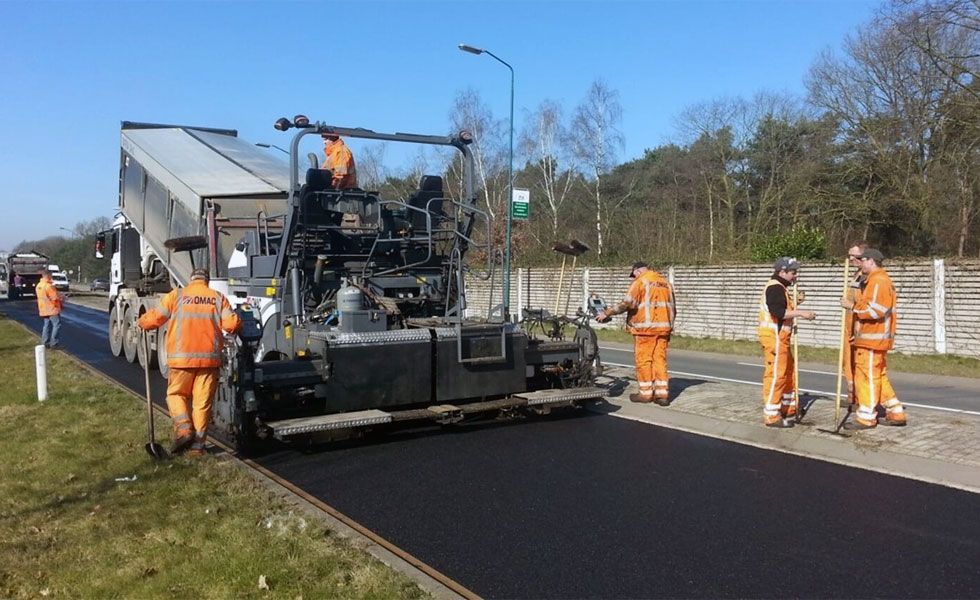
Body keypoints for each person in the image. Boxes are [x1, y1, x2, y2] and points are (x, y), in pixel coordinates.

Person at [138, 268, 241, 455]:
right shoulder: (217, 297)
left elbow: (155, 318)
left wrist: (143, 322)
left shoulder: (176, 295)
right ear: (206, 281)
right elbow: (231, 325)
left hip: (181, 360)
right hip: (209, 362)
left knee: (176, 395)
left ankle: (184, 428)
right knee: (201, 404)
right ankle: (197, 448)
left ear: (191, 280)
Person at [839, 249, 907, 429]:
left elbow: (876, 310)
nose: (859, 263)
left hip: (872, 339)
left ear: (871, 261)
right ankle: (895, 411)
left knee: (867, 377)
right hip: (872, 338)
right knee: (878, 376)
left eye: (862, 260)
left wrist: (852, 306)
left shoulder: (878, 281)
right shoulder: (876, 280)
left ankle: (866, 417)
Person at [595, 261, 675, 406]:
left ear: (637, 271)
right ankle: (662, 395)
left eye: (634, 275)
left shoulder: (640, 282)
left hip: (645, 330)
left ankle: (645, 394)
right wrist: (669, 327)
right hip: (663, 329)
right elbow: (673, 308)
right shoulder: (666, 284)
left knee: (644, 361)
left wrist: (606, 313)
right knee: (660, 361)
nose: (634, 277)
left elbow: (627, 303)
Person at [758, 257, 816, 428]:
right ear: (782, 272)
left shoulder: (780, 287)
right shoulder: (775, 287)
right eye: (793, 272)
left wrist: (795, 302)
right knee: (777, 376)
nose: (795, 276)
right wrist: (802, 313)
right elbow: (779, 312)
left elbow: (782, 307)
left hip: (781, 339)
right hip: (774, 338)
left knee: (787, 373)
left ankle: (787, 406)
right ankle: (772, 414)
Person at [842, 241, 869, 408]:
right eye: (849, 255)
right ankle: (851, 394)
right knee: (848, 362)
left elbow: (865, 304)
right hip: (849, 324)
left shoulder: (867, 278)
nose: (851, 258)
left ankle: (862, 397)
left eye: (854, 255)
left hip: (860, 327)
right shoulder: (856, 275)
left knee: (861, 365)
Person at [36, 271, 63, 348]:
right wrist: (61, 298)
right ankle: (54, 343)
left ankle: (45, 342)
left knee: (46, 325)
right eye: (51, 275)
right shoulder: (49, 286)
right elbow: (54, 298)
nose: (52, 277)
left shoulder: (39, 285)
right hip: (52, 308)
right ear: (48, 275)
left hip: (43, 309)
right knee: (57, 324)